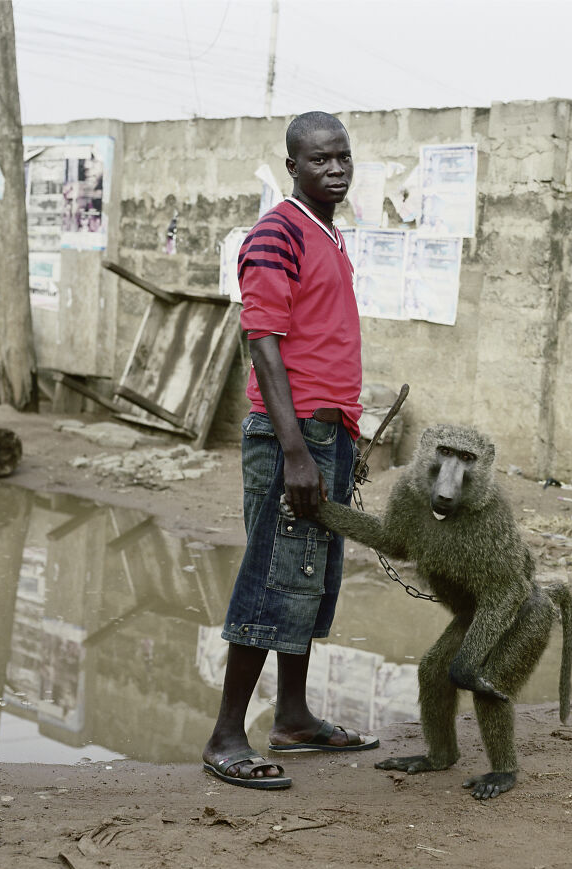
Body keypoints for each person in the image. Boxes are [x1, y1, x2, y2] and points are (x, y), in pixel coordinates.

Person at [202, 111, 378, 790]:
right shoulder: (277, 232)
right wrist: (298, 451)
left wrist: (345, 437)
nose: (335, 169)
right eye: (320, 160)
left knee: (308, 577)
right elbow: (263, 343)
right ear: (293, 168)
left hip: (327, 430)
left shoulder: (328, 235)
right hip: (292, 434)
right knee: (273, 576)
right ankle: (225, 736)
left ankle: (295, 718)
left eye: (343, 158)